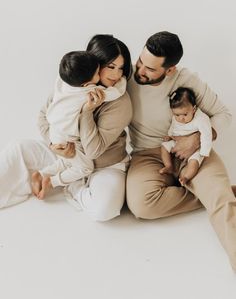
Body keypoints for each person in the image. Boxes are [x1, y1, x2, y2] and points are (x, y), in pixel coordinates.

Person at [126, 31, 236, 271]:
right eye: (140, 61)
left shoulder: (186, 80)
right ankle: (217, 193)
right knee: (141, 205)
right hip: (148, 154)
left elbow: (224, 115)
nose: (140, 71)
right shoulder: (125, 76)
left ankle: (219, 196)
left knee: (223, 204)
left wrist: (196, 139)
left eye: (150, 69)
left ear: (170, 70)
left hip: (192, 150)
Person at [0, 34, 132, 222]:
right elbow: (43, 117)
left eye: (121, 68)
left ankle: (72, 186)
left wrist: (87, 112)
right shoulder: (70, 86)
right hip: (67, 156)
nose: (117, 75)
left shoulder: (119, 100)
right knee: (18, 148)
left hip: (104, 165)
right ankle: (58, 175)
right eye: (111, 67)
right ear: (94, 64)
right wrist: (55, 145)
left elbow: (94, 151)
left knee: (105, 209)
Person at [32, 50, 127, 199]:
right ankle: (52, 182)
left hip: (56, 130)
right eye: (98, 71)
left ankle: (42, 173)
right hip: (67, 136)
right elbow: (117, 92)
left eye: (121, 68)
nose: (117, 75)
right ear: (86, 83)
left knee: (68, 161)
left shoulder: (62, 83)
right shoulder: (90, 92)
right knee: (85, 167)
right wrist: (123, 81)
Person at [160, 87, 212, 186]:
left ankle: (186, 177)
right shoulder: (176, 117)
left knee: (194, 161)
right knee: (164, 146)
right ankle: (169, 166)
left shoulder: (201, 119)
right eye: (177, 115)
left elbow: (206, 134)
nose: (181, 118)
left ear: (194, 109)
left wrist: (204, 152)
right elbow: (173, 127)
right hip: (177, 141)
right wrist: (170, 136)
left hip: (195, 146)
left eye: (185, 114)